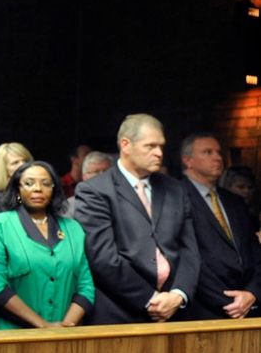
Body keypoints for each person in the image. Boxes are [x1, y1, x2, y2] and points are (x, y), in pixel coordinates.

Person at [74, 114, 200, 324]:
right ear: (126, 145)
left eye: (161, 146)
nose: (159, 153)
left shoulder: (175, 189)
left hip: (175, 311)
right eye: (150, 146)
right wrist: (150, 299)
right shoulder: (95, 191)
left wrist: (179, 294)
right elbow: (103, 258)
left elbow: (190, 250)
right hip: (120, 313)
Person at [0, 161, 94, 329]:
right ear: (17, 189)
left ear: (54, 189)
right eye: (29, 183)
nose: (38, 188)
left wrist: (66, 326)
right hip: (9, 335)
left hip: (64, 335)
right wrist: (43, 325)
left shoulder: (73, 229)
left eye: (46, 183)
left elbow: (86, 286)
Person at [180, 133, 261, 319]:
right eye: (207, 152)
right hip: (203, 310)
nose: (217, 157)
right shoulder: (176, 196)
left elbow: (254, 253)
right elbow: (183, 257)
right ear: (188, 160)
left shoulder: (234, 201)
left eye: (218, 152)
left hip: (248, 306)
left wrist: (253, 293)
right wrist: (228, 302)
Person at [62, 151, 114, 218]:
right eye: (96, 172)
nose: (102, 176)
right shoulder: (70, 206)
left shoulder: (123, 201)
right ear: (84, 176)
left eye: (106, 171)